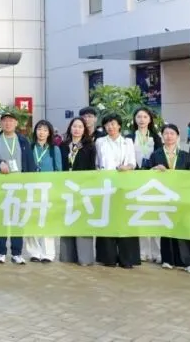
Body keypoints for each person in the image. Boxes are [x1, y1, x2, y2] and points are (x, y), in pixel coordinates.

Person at [149, 123, 190, 274]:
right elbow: (147, 174)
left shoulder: (185, 155)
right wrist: (154, 169)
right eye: (166, 133)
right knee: (166, 226)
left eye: (172, 133)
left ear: (177, 136)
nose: (169, 136)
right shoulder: (156, 155)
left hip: (182, 196)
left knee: (184, 227)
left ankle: (189, 262)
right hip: (163, 196)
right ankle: (168, 259)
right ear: (162, 136)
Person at [0, 112, 34, 264]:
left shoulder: (23, 140)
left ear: (16, 123)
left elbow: (30, 163)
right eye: (5, 121)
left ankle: (17, 253)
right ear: (1, 124)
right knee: (1, 219)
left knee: (17, 219)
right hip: (1, 186)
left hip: (19, 185)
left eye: (11, 121)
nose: (8, 123)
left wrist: (29, 183)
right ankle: (1, 252)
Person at [94, 113, 140, 269]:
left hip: (124, 185)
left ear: (119, 125)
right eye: (107, 124)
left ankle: (127, 258)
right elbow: (97, 162)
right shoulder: (100, 142)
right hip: (105, 186)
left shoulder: (127, 142)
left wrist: (127, 167)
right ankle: (108, 257)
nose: (110, 127)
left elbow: (133, 162)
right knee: (107, 219)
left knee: (125, 220)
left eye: (113, 124)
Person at [59, 117, 97, 266]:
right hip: (66, 188)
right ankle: (68, 256)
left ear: (84, 130)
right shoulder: (63, 146)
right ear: (70, 128)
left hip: (83, 189)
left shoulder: (89, 146)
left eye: (80, 127)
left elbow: (92, 168)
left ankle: (85, 257)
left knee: (82, 220)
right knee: (67, 220)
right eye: (74, 126)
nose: (77, 129)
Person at [127, 106, 161, 263]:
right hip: (135, 180)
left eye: (145, 117)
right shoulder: (129, 137)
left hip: (152, 180)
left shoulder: (156, 137)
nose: (142, 120)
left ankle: (156, 252)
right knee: (139, 215)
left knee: (153, 215)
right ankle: (142, 251)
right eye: (139, 117)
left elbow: (160, 156)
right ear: (134, 119)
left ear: (150, 119)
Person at [25, 119, 61, 263]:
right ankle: (34, 252)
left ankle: (48, 253)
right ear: (35, 131)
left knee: (47, 221)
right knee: (31, 219)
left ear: (49, 133)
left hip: (48, 189)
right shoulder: (29, 147)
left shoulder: (54, 149)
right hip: (31, 189)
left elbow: (58, 170)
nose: (42, 132)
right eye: (39, 129)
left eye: (45, 130)